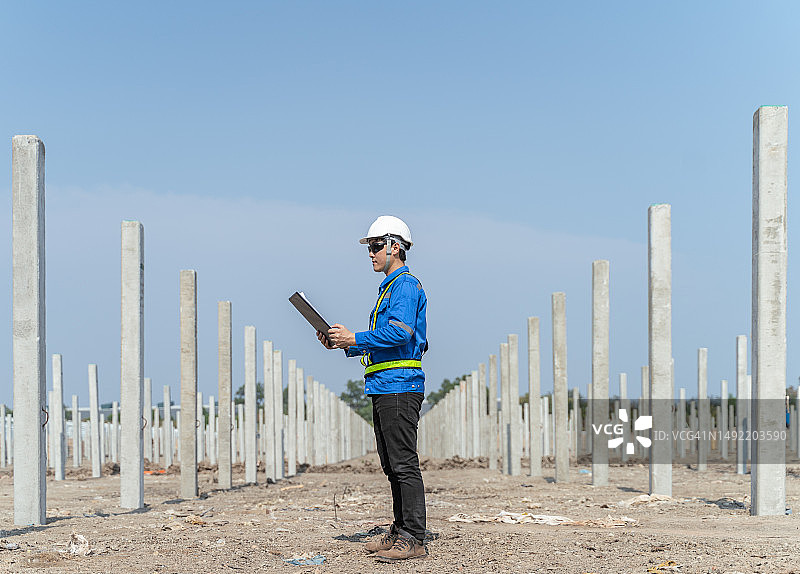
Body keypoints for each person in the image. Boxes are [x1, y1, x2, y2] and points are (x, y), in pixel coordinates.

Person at [317, 215, 428, 562]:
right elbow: (382, 341)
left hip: (399, 387)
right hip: (384, 385)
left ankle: (414, 537)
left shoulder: (405, 287)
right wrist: (343, 343)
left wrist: (356, 338)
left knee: (403, 463)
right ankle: (400, 529)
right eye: (369, 247)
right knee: (391, 463)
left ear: (396, 247)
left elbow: (400, 333)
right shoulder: (389, 288)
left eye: (376, 245)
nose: (371, 253)